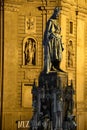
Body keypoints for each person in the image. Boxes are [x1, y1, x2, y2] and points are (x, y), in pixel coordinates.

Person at [43, 7, 64, 73]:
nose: (58, 15)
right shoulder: (50, 21)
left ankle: (57, 66)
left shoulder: (57, 22)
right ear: (54, 13)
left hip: (58, 40)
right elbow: (47, 32)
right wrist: (49, 38)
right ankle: (52, 67)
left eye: (59, 14)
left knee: (59, 55)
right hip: (52, 41)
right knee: (53, 54)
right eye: (57, 14)